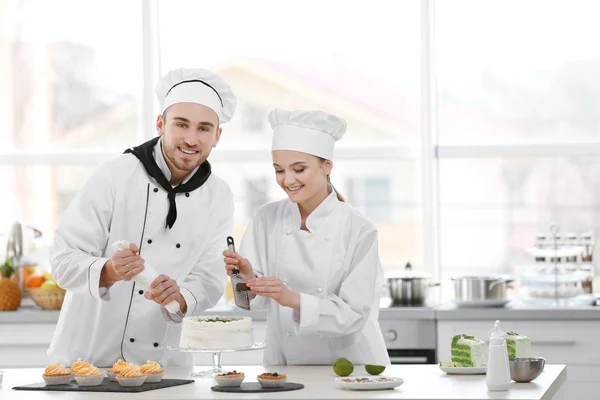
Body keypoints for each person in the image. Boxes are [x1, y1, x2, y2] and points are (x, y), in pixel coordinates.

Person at [48, 67, 237, 367]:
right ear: (161, 123)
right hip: (88, 363)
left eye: (203, 128)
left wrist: (183, 295)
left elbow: (211, 277)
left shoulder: (220, 196)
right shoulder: (114, 175)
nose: (191, 138)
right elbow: (62, 260)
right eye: (181, 124)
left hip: (165, 367)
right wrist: (109, 270)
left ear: (217, 136)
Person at [223, 109, 390, 366]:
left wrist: (293, 299)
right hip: (285, 367)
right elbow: (245, 304)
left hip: (348, 369)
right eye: (279, 170)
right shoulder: (266, 218)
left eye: (299, 169)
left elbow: (354, 314)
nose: (287, 180)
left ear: (327, 166)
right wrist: (246, 280)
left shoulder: (359, 229)